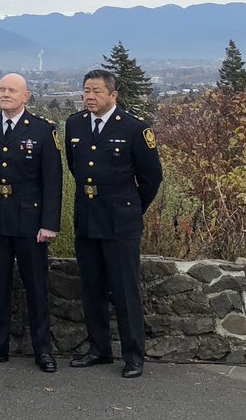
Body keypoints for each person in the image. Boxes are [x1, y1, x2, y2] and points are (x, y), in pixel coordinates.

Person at [66, 70, 163, 379]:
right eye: (86, 91)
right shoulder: (75, 124)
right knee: (91, 288)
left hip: (121, 222)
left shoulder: (134, 128)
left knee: (125, 290)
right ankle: (99, 349)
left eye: (96, 91)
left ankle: (134, 356)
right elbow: (75, 166)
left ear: (113, 95)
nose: (89, 96)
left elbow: (151, 177)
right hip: (88, 219)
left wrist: (132, 208)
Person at [0, 74, 61, 373]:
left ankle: (43, 350)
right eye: (2, 89)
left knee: (36, 288)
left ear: (26, 97)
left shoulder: (42, 130)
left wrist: (49, 223)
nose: (5, 94)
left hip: (30, 222)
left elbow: (52, 181)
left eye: (12, 90)